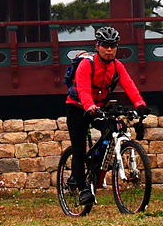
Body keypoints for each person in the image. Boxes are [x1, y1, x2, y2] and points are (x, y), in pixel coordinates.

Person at [64, 25, 150, 209]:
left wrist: (140, 105)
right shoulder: (87, 64)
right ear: (97, 46)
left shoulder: (117, 66)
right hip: (78, 108)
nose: (109, 49)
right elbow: (83, 89)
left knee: (114, 127)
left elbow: (129, 86)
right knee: (79, 151)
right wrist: (89, 106)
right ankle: (82, 189)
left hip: (99, 107)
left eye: (113, 46)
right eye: (105, 45)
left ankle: (98, 164)